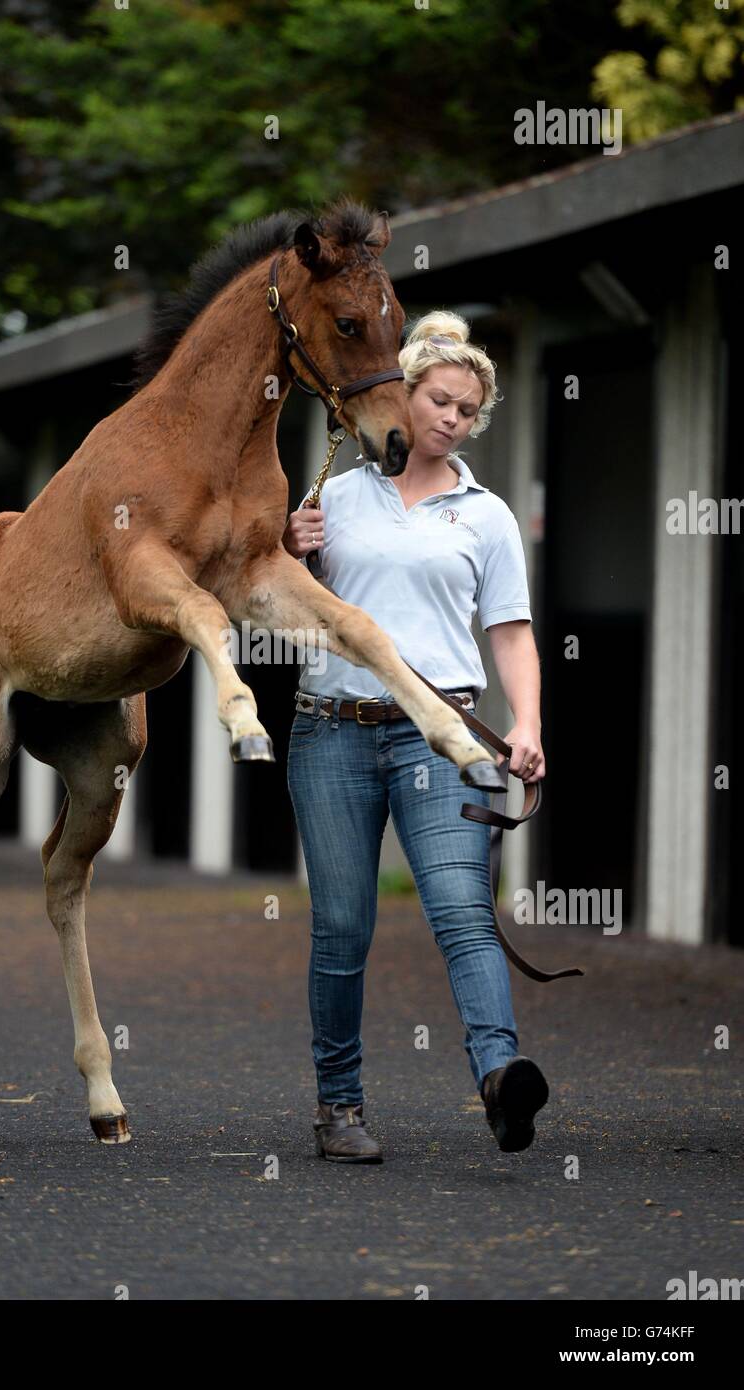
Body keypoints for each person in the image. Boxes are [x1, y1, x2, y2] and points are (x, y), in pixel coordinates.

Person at [281, 310, 549, 1163]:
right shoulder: (333, 496)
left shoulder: (488, 516)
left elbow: (509, 629)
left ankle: (501, 1080)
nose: (449, 419)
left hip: (444, 736)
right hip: (331, 731)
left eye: (467, 411)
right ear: (406, 393)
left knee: (464, 913)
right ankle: (340, 1108)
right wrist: (293, 550)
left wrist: (528, 722)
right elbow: (281, 606)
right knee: (343, 928)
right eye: (439, 400)